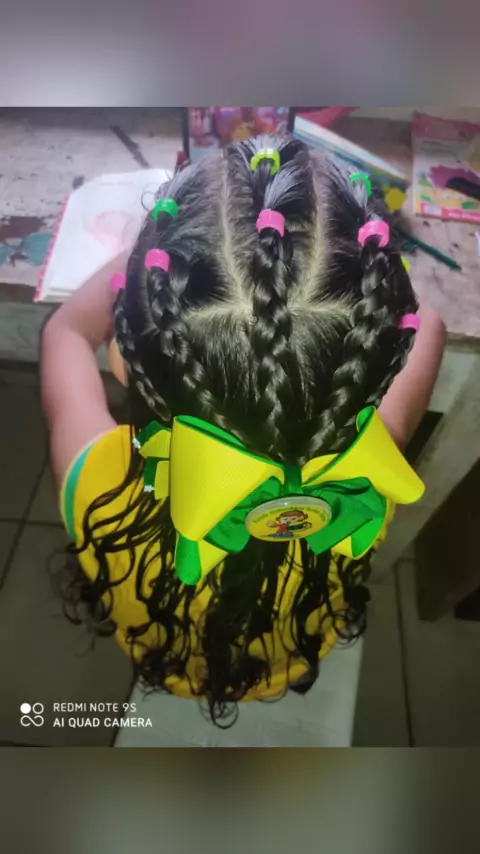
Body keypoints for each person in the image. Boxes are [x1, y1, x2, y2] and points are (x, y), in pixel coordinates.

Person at [41, 135, 446, 726]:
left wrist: (145, 260)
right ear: (370, 367)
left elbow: (65, 333)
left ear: (125, 361)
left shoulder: (97, 482)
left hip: (159, 653)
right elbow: (427, 322)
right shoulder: (370, 480)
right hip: (288, 659)